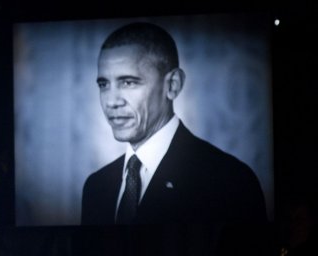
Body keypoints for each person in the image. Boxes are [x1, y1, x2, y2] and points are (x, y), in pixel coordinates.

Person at [81, 22, 267, 225]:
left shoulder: (230, 182)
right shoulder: (95, 187)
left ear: (172, 85)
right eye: (104, 84)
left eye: (129, 82)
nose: (111, 101)